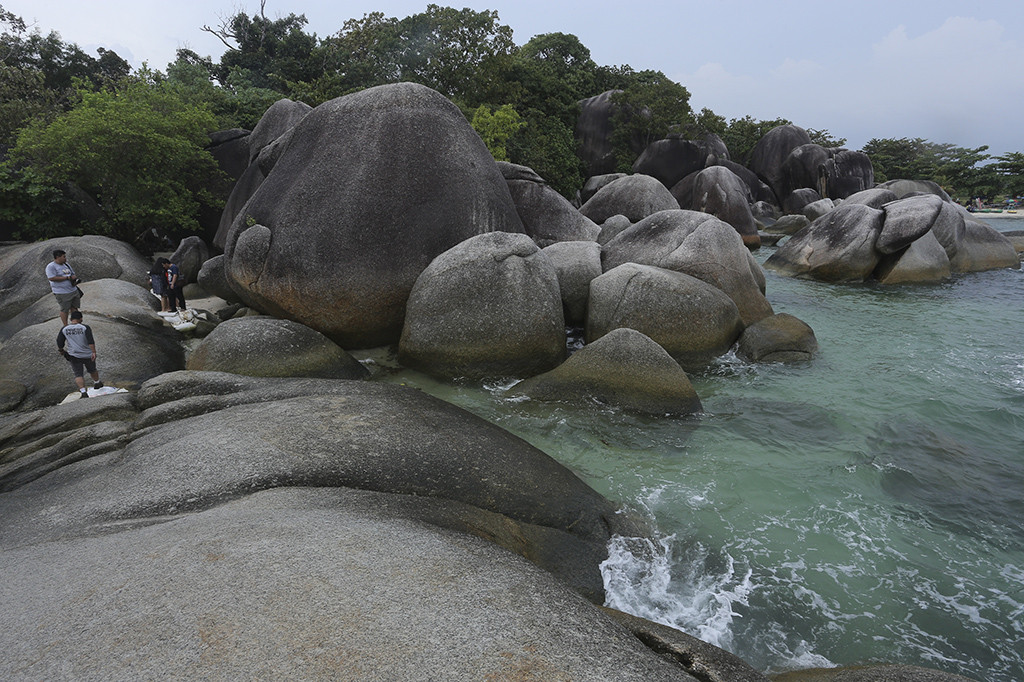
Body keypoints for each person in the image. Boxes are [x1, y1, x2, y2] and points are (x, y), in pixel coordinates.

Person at [57, 310, 103, 399]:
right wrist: (93, 352)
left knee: (78, 374)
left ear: (70, 319)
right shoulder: (85, 327)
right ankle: (97, 382)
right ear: (81, 318)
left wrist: (61, 350)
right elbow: (90, 341)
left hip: (73, 355)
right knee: (92, 369)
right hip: (87, 354)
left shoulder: (65, 329)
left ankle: (83, 392)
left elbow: (59, 341)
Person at [45, 249, 81, 326]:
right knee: (65, 309)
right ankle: (65, 325)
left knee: (74, 307)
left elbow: (72, 274)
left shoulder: (66, 264)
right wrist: (67, 278)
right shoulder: (51, 266)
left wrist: (74, 279)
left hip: (73, 290)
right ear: (58, 257)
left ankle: (75, 323)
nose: (65, 258)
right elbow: (51, 278)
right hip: (61, 292)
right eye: (64, 257)